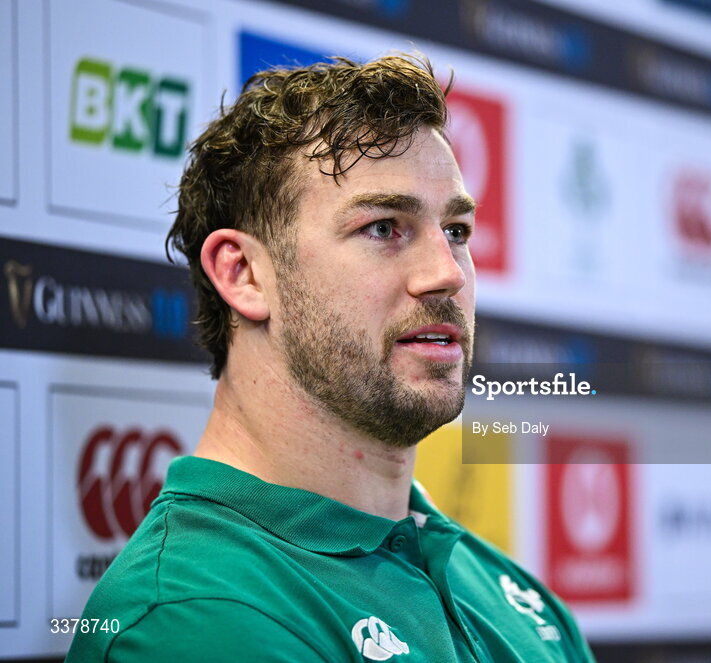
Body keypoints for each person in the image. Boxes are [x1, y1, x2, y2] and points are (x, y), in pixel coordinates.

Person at [67, 53, 595, 663]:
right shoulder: (194, 619)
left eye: (455, 230)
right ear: (244, 276)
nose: (447, 274)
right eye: (383, 227)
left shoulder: (523, 603)